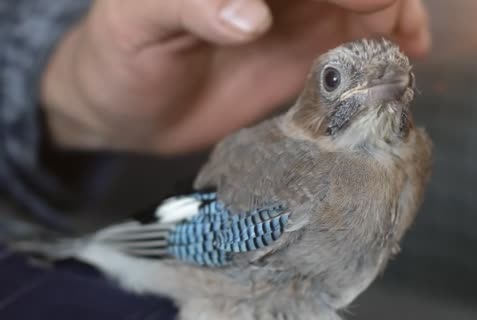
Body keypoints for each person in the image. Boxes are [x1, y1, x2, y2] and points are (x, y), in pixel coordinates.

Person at [0, 1, 430, 319]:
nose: (383, 87)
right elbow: (185, 232)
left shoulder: (411, 163)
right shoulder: (310, 179)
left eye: (400, 81)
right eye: (334, 81)